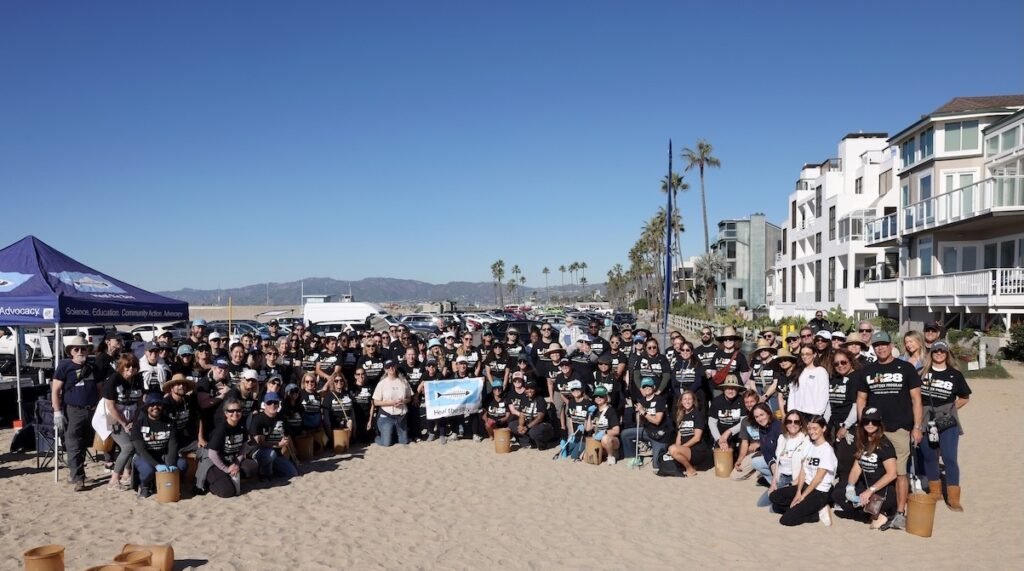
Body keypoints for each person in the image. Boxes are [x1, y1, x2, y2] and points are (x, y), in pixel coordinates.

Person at [855, 331, 924, 531]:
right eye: (876, 345)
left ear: (890, 345)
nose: (880, 348)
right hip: (875, 429)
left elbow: (916, 399)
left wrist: (917, 427)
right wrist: (863, 424)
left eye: (884, 344)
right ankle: (880, 510)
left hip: (900, 428)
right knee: (875, 470)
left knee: (901, 473)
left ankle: (900, 513)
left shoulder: (906, 368)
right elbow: (861, 399)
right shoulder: (867, 371)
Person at [917, 340, 971, 511]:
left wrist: (951, 409)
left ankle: (954, 498)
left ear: (947, 354)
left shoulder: (955, 374)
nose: (939, 353)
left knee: (949, 457)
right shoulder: (922, 373)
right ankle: (935, 491)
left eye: (942, 351)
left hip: (947, 420)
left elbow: (964, 397)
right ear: (931, 353)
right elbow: (915, 397)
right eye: (935, 351)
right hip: (926, 418)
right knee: (929, 455)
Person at [832, 407, 898, 529]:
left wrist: (870, 491)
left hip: (882, 491)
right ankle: (871, 514)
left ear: (880, 424)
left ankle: (882, 514)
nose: (870, 424)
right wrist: (850, 487)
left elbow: (892, 474)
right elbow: (856, 468)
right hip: (865, 486)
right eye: (866, 421)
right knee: (838, 492)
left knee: (864, 500)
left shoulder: (885, 444)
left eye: (874, 421)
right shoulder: (862, 441)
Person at [51, 336, 100, 491]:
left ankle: (78, 474)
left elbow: (100, 388)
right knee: (73, 444)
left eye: (83, 348)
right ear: (71, 351)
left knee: (84, 443)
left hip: (91, 410)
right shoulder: (64, 367)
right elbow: (55, 390)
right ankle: (78, 478)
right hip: (73, 410)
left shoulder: (93, 367)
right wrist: (57, 411)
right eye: (76, 349)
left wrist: (98, 406)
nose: (80, 352)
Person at [768, 416, 836, 527]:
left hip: (819, 491)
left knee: (786, 520)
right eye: (809, 428)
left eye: (815, 428)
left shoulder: (827, 450)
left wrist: (802, 496)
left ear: (823, 429)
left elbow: (818, 478)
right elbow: (803, 470)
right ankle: (804, 508)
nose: (811, 431)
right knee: (774, 497)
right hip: (805, 485)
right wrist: (798, 492)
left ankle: (816, 514)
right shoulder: (810, 445)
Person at [130, 392, 187, 498]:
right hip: (144, 456)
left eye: (158, 404)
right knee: (148, 471)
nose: (155, 407)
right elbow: (141, 450)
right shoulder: (138, 424)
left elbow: (173, 445)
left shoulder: (170, 423)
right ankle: (144, 485)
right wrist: (156, 465)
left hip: (164, 455)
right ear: (146, 407)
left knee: (182, 465)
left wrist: (171, 464)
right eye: (151, 405)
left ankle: (170, 483)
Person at [101, 354, 144, 491]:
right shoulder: (113, 380)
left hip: (132, 415)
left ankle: (127, 473)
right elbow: (110, 407)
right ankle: (114, 479)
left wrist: (134, 420)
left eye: (134, 366)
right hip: (115, 417)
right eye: (127, 366)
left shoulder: (138, 379)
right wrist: (124, 422)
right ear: (121, 366)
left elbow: (140, 402)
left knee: (135, 444)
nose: (131, 369)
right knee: (128, 446)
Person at [203, 397, 258, 498]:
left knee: (252, 467)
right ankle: (212, 483)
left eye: (238, 410)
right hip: (215, 462)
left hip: (231, 459)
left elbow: (243, 447)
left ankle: (228, 477)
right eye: (231, 411)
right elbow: (212, 454)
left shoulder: (241, 426)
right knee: (227, 492)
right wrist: (226, 469)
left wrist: (236, 464)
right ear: (226, 413)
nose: (235, 413)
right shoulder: (221, 429)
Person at [621, 377, 673, 470]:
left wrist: (644, 412)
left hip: (659, 434)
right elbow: (640, 423)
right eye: (645, 387)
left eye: (649, 386)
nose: (647, 388)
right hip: (647, 431)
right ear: (642, 389)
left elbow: (657, 421)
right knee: (625, 434)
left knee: (656, 465)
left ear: (654, 387)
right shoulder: (641, 401)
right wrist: (639, 414)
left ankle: (665, 449)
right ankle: (634, 457)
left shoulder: (659, 400)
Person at [762, 412, 810, 508]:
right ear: (785, 424)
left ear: (800, 424)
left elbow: (806, 466)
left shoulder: (806, 440)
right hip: (782, 476)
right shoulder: (782, 438)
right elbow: (778, 462)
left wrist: (793, 483)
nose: (792, 424)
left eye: (796, 422)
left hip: (795, 479)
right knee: (763, 502)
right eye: (789, 421)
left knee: (774, 507)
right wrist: (773, 482)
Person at [248, 391, 299, 479]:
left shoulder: (281, 418)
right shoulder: (258, 419)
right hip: (259, 452)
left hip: (276, 453)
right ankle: (264, 475)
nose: (272, 405)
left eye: (275, 402)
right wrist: (278, 445)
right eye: (269, 402)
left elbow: (288, 437)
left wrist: (294, 457)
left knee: (292, 473)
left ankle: (273, 468)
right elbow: (257, 442)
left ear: (279, 404)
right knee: (270, 454)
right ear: (264, 404)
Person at [829, 348, 862, 484]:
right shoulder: (835, 378)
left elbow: (856, 405)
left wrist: (845, 426)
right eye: (836, 364)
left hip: (849, 426)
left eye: (843, 362)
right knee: (837, 459)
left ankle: (845, 492)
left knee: (846, 462)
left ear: (851, 361)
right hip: (835, 424)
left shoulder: (856, 377)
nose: (840, 366)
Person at [372, 360, 413, 446]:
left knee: (404, 442)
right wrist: (391, 403)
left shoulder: (403, 382)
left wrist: (403, 401)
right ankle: (378, 437)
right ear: (385, 370)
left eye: (392, 365)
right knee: (386, 443)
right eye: (388, 366)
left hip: (401, 416)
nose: (391, 368)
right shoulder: (382, 383)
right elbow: (376, 402)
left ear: (396, 367)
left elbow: (409, 398)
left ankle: (393, 435)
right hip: (386, 416)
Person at [667, 390, 708, 477]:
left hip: (697, 449)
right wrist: (677, 447)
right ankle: (687, 465)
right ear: (681, 401)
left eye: (690, 399)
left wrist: (680, 447)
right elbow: (679, 435)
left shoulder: (698, 414)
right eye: (685, 399)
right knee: (672, 450)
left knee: (673, 449)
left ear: (693, 401)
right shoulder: (681, 415)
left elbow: (697, 438)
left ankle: (690, 469)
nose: (687, 401)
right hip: (685, 449)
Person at [508, 380, 554, 449]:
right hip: (528, 421)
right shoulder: (524, 399)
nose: (529, 390)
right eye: (527, 388)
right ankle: (527, 443)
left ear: (535, 389)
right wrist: (521, 426)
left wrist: (526, 427)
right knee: (512, 425)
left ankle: (542, 444)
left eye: (532, 388)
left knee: (533, 432)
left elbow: (539, 418)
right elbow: (522, 414)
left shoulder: (540, 399)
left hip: (541, 424)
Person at [788, 345, 830, 420]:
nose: (804, 357)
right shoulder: (797, 371)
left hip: (813, 415)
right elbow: (792, 393)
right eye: (802, 354)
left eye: (807, 354)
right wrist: (790, 412)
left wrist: (817, 415)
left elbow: (824, 395)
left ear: (814, 354)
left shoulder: (820, 371)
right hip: (797, 414)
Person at [163, 373, 200, 456]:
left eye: (184, 384)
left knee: (205, 448)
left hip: (185, 438)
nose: (182, 386)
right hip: (169, 441)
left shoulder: (189, 400)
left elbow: (198, 418)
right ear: (171, 388)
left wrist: (200, 438)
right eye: (178, 384)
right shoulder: (165, 404)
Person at [729, 391, 763, 480]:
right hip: (754, 453)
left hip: (768, 451)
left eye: (752, 401)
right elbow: (744, 442)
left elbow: (775, 438)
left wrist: (759, 443)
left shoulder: (765, 416)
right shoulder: (745, 421)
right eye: (746, 402)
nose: (749, 404)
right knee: (735, 476)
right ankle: (758, 472)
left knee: (759, 473)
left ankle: (762, 471)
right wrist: (740, 459)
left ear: (757, 402)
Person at [708, 327, 750, 397]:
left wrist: (737, 385)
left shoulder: (740, 356)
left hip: (733, 389)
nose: (728, 341)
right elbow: (713, 369)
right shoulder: (717, 354)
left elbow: (745, 373)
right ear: (722, 341)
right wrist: (717, 380)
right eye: (725, 339)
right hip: (718, 388)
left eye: (730, 339)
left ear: (735, 340)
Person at [707, 375, 745, 451]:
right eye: (728, 388)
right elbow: (712, 422)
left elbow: (744, 421)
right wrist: (719, 439)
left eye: (733, 388)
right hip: (719, 435)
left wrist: (729, 432)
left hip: (737, 434)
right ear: (723, 389)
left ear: (737, 389)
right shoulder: (716, 401)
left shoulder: (742, 400)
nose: (730, 391)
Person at [585, 386, 620, 465]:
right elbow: (588, 429)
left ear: (606, 397)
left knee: (605, 438)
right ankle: (602, 453)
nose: (598, 398)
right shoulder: (594, 411)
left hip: (612, 440)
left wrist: (604, 433)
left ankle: (611, 456)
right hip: (598, 440)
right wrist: (589, 415)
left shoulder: (611, 411)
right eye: (596, 396)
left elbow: (616, 430)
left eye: (601, 396)